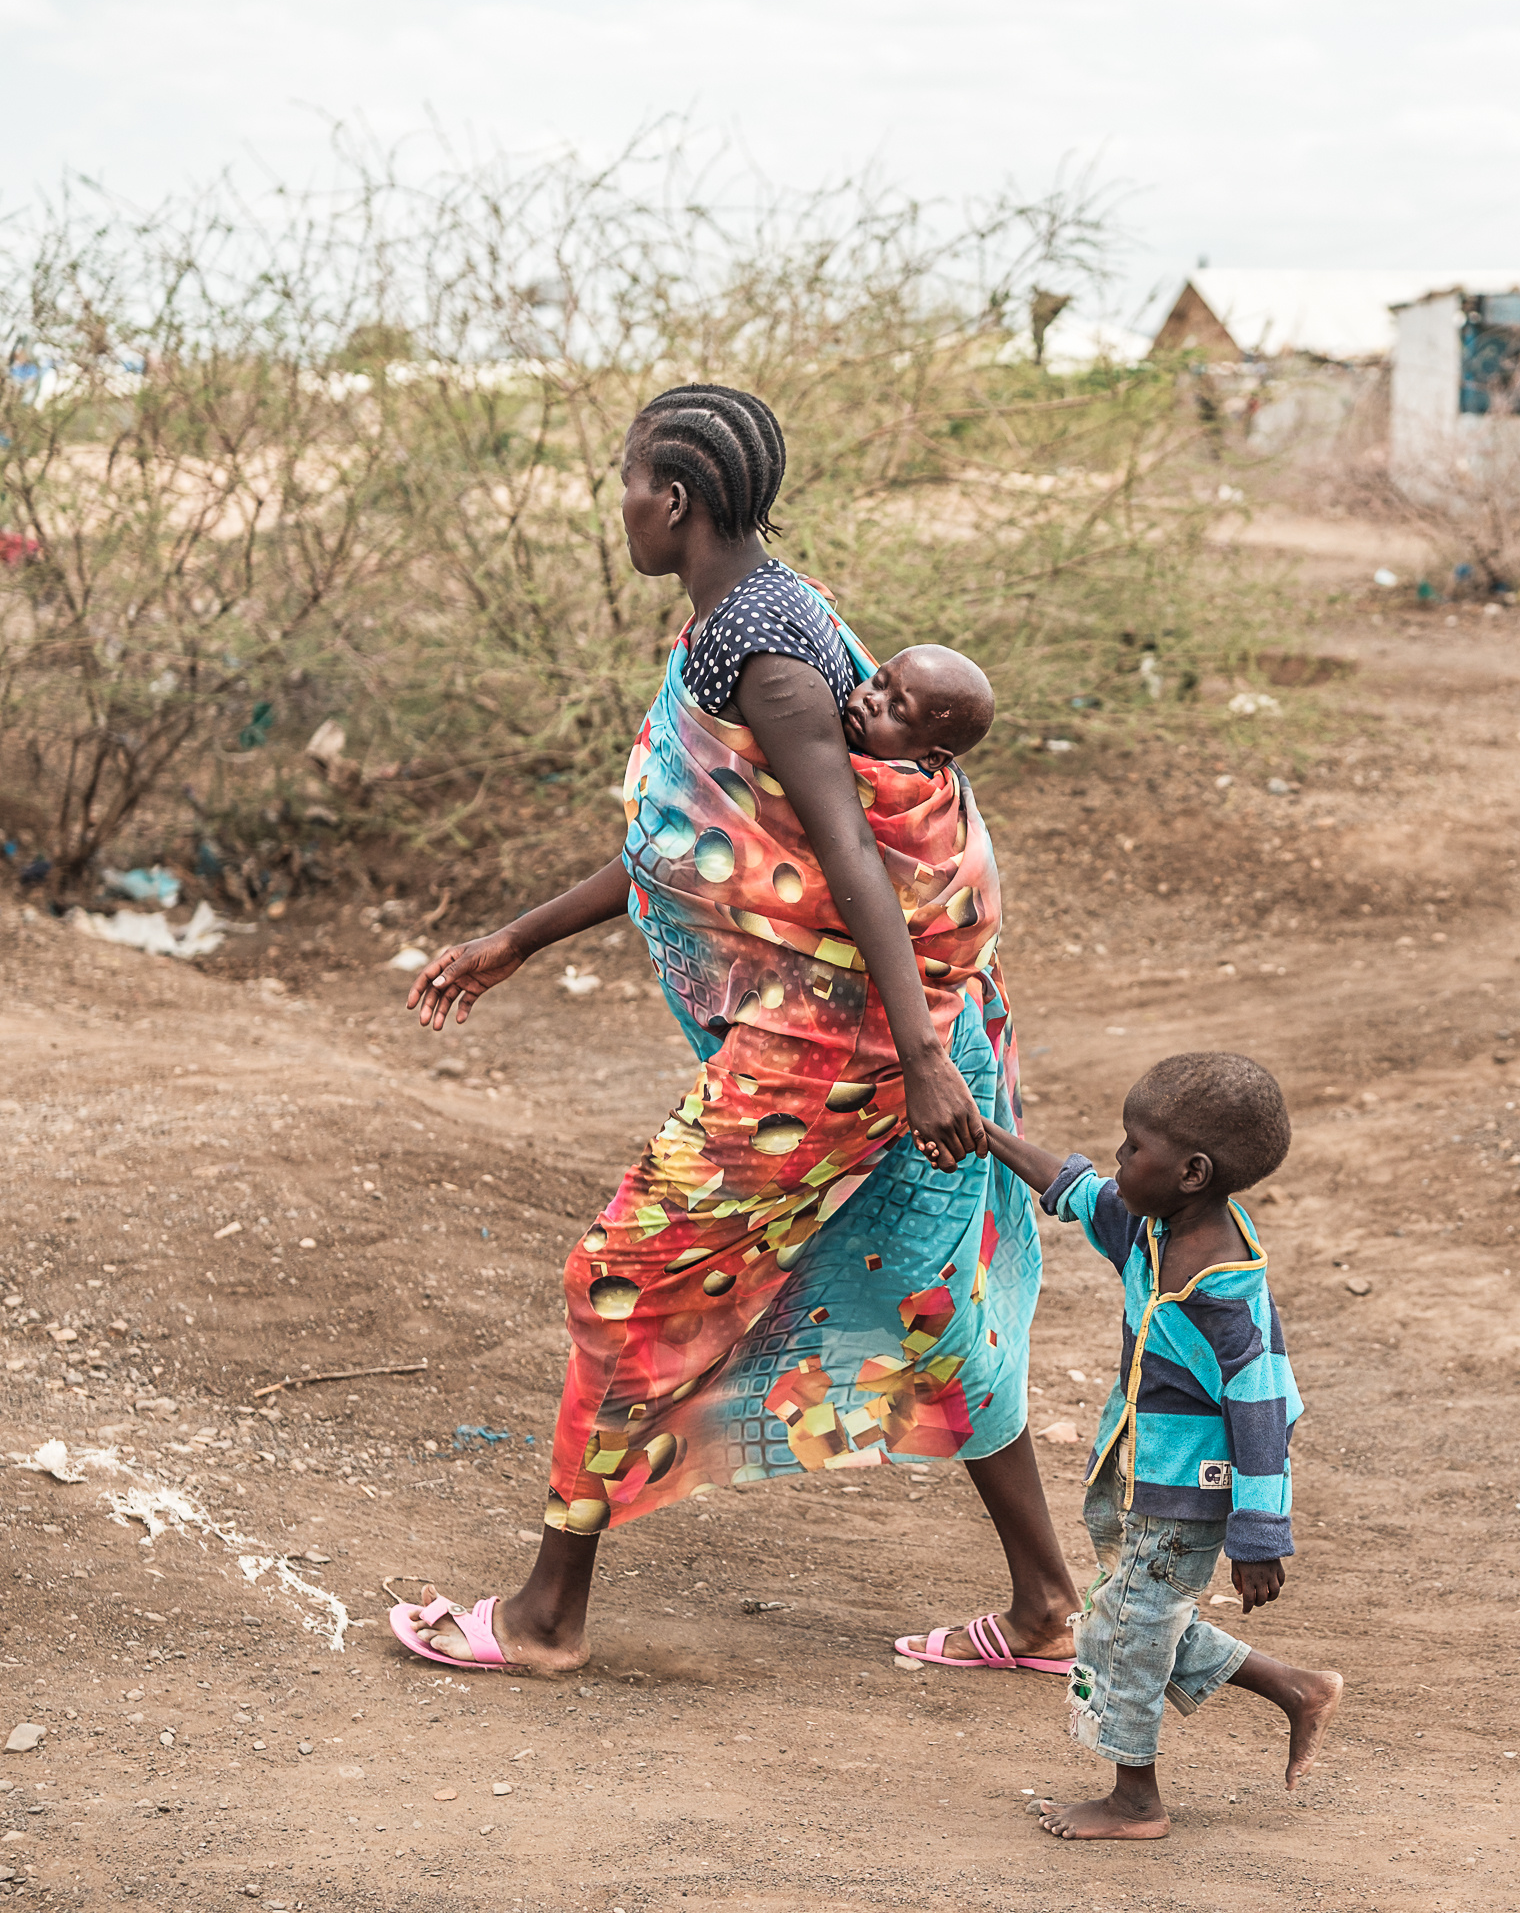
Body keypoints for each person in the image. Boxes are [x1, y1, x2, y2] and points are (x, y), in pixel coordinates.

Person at [389, 383, 1080, 1677]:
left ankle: (546, 1617)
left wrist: (925, 1065)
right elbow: (692, 850)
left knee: (626, 1274)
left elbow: (850, 858)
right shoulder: (772, 611)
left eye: (628, 488)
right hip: (893, 1043)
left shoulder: (765, 655)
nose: (623, 511)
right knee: (931, 1296)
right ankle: (1044, 1606)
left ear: (678, 500)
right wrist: (518, 940)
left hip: (853, 1053)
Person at [973, 1051, 1345, 1841]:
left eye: (1133, 1147)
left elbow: (1264, 1415)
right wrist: (983, 1134)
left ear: (1191, 1171)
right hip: (1140, 1468)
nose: (1117, 1159)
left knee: (1125, 1628)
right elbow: (1071, 1186)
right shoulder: (1156, 1226)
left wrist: (1258, 1536)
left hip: (1190, 1490)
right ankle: (1294, 1688)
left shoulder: (1222, 1291)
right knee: (1137, 1614)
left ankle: (1135, 1799)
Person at [842, 643, 995, 773]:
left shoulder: (907, 801)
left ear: (932, 758)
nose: (872, 700)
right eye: (878, 683)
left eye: (896, 712)